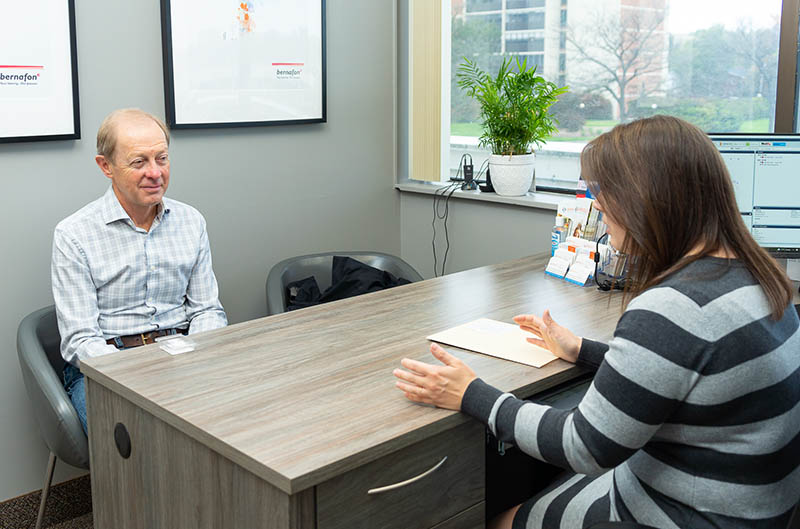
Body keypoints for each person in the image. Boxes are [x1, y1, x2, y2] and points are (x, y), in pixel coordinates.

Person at [394, 115, 800, 528]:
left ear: (648, 200)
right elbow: (685, 372)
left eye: (605, 194)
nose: (597, 202)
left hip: (688, 515)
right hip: (750, 505)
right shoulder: (758, 276)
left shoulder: (674, 307)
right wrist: (581, 350)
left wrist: (471, 393)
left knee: (498, 518)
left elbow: (583, 445)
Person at [52, 109, 228, 434]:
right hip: (110, 363)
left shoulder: (191, 222)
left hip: (182, 351)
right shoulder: (74, 234)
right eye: (139, 162)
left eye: (162, 158)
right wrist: (140, 371)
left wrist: (195, 357)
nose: (155, 173)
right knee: (145, 440)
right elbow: (80, 340)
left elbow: (207, 310)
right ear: (106, 166)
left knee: (239, 418)